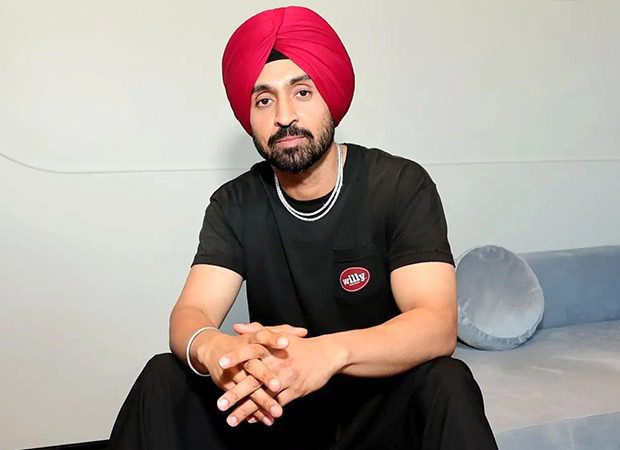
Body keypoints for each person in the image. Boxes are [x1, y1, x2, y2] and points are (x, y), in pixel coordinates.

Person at [107, 6, 498, 450]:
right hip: (274, 408)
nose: (284, 115)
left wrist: (326, 354)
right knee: (164, 375)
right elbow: (190, 313)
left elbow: (436, 324)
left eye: (302, 92)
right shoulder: (235, 203)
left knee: (447, 379)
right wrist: (216, 351)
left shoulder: (399, 185)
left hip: (374, 410)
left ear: (330, 98)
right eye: (264, 100)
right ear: (249, 116)